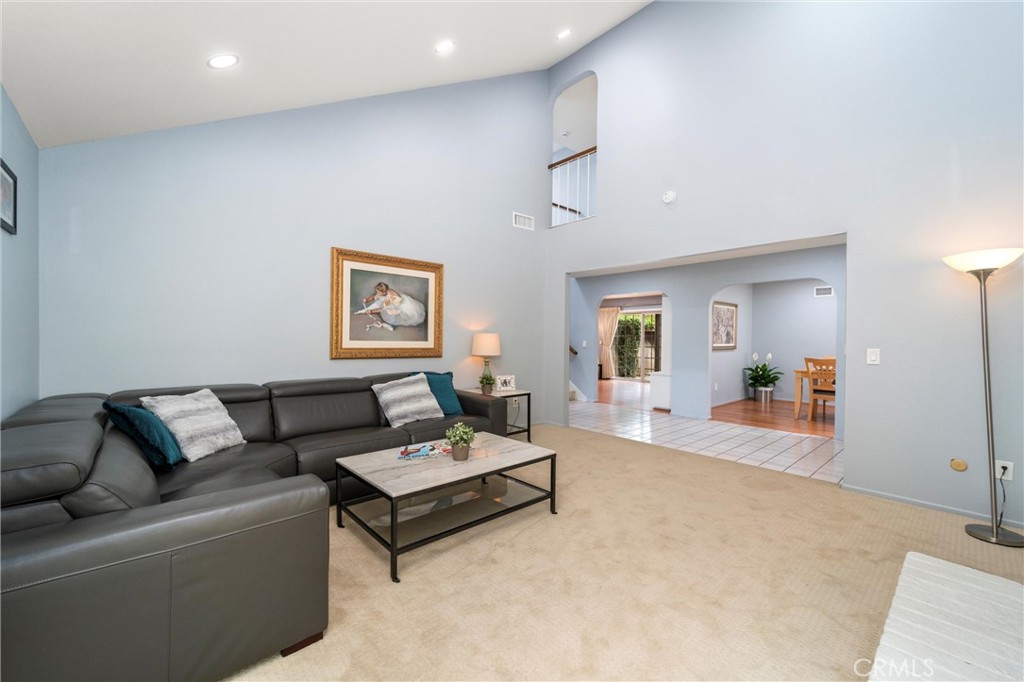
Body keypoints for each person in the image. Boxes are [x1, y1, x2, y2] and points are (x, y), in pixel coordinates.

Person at [355, 282, 426, 331]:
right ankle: (364, 310)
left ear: (383, 292)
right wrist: (366, 300)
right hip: (391, 301)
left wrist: (372, 311)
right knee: (380, 302)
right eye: (377, 291)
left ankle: (368, 310)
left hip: (398, 304)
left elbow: (384, 308)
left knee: (389, 311)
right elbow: (374, 296)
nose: (377, 293)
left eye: (378, 292)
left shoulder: (391, 296)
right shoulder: (384, 292)